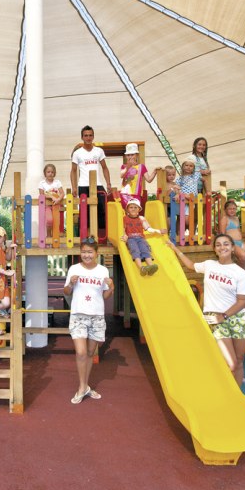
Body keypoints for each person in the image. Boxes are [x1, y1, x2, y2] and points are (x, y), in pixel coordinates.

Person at [170, 234, 245, 385]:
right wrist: (175, 249)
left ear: (233, 248)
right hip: (215, 317)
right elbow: (190, 265)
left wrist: (224, 316)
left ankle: (237, 395)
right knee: (231, 363)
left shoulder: (240, 273)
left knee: (239, 361)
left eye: (226, 244)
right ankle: (225, 391)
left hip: (236, 318)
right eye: (218, 245)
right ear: (214, 249)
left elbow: (242, 301)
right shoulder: (209, 265)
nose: (222, 247)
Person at [63, 237, 114, 404]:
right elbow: (66, 291)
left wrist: (112, 287)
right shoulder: (74, 269)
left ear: (96, 253)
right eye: (84, 252)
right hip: (78, 315)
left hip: (97, 316)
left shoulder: (103, 271)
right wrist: (71, 284)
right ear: (80, 253)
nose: (86, 255)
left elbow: (105, 296)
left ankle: (85, 386)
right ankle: (81, 387)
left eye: (90, 252)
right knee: (81, 352)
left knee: (91, 353)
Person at [70, 125, 112, 235]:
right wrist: (74, 187)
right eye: (86, 135)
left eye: (90, 135)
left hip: (97, 184)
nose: (88, 138)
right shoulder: (77, 153)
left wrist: (108, 183)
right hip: (83, 185)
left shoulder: (99, 151)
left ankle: (101, 236)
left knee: (103, 209)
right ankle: (86, 236)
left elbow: (105, 167)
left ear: (93, 136)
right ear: (82, 137)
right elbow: (73, 171)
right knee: (85, 212)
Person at [120, 201, 164, 276]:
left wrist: (158, 231)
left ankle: (151, 266)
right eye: (131, 207)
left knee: (145, 250)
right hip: (131, 239)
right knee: (135, 250)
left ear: (139, 209)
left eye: (135, 207)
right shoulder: (125, 218)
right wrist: (124, 236)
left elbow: (148, 228)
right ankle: (141, 268)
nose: (133, 209)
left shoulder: (141, 218)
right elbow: (123, 229)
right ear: (127, 209)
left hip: (141, 238)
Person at [119, 143, 159, 207]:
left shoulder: (141, 166)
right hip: (125, 194)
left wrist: (155, 171)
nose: (130, 157)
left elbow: (149, 179)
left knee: (135, 210)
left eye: (132, 155)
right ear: (126, 156)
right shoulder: (124, 166)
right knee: (126, 210)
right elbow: (121, 175)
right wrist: (128, 167)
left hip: (136, 194)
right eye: (128, 155)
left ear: (137, 155)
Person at [38, 163, 64, 231]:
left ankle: (55, 235)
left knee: (56, 222)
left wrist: (58, 199)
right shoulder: (42, 183)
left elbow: (62, 193)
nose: (50, 174)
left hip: (56, 204)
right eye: (48, 172)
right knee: (49, 220)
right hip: (47, 205)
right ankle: (49, 235)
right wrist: (51, 197)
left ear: (54, 173)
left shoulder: (57, 182)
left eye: (52, 172)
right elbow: (42, 195)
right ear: (45, 173)